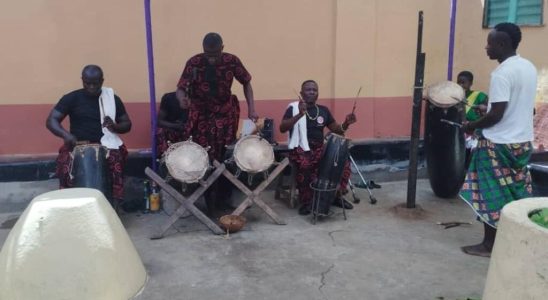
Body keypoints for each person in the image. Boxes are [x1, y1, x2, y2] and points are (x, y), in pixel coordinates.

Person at [460, 23, 537, 257]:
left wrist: (471, 125)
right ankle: (520, 239)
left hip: (498, 145)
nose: (486, 47)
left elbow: (496, 115)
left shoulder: (502, 73)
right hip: (522, 142)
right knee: (516, 193)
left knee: (490, 194)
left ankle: (489, 246)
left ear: (502, 44)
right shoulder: (528, 67)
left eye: (490, 43)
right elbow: (525, 108)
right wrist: (489, 106)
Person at [176, 32, 258, 212]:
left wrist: (252, 108)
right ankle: (208, 201)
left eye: (215, 54)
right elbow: (180, 88)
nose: (211, 58)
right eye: (207, 54)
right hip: (201, 116)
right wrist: (182, 99)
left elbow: (246, 82)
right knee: (204, 157)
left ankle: (224, 200)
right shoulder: (194, 62)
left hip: (225, 115)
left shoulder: (232, 61)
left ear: (222, 48)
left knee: (225, 157)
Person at [46, 65, 132, 209]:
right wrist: (65, 135)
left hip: (107, 145)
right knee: (65, 163)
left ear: (102, 81)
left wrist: (115, 127)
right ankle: (71, 207)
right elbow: (51, 120)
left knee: (116, 160)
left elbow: (127, 124)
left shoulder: (111, 98)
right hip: (77, 144)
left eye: (96, 83)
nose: (92, 86)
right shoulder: (71, 98)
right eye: (88, 83)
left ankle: (113, 208)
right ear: (82, 80)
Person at [280, 80, 357, 215]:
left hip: (319, 148)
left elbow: (337, 129)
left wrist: (346, 123)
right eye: (308, 90)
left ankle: (336, 196)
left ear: (317, 94)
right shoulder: (293, 108)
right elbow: (282, 128)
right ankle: (307, 202)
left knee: (342, 162)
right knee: (305, 164)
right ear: (301, 93)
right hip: (300, 149)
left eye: (314, 90)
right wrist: (299, 115)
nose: (311, 92)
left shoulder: (323, 110)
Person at [456, 70, 489, 168]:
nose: (460, 85)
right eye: (458, 82)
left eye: (463, 82)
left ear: (470, 83)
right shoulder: (454, 98)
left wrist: (478, 131)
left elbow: (486, 114)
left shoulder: (480, 96)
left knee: (474, 154)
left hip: (475, 132)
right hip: (460, 132)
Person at [156, 91, 189, 158]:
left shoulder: (197, 99)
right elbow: (159, 121)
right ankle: (165, 161)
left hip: (189, 131)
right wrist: (175, 126)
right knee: (162, 132)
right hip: (171, 130)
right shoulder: (169, 98)